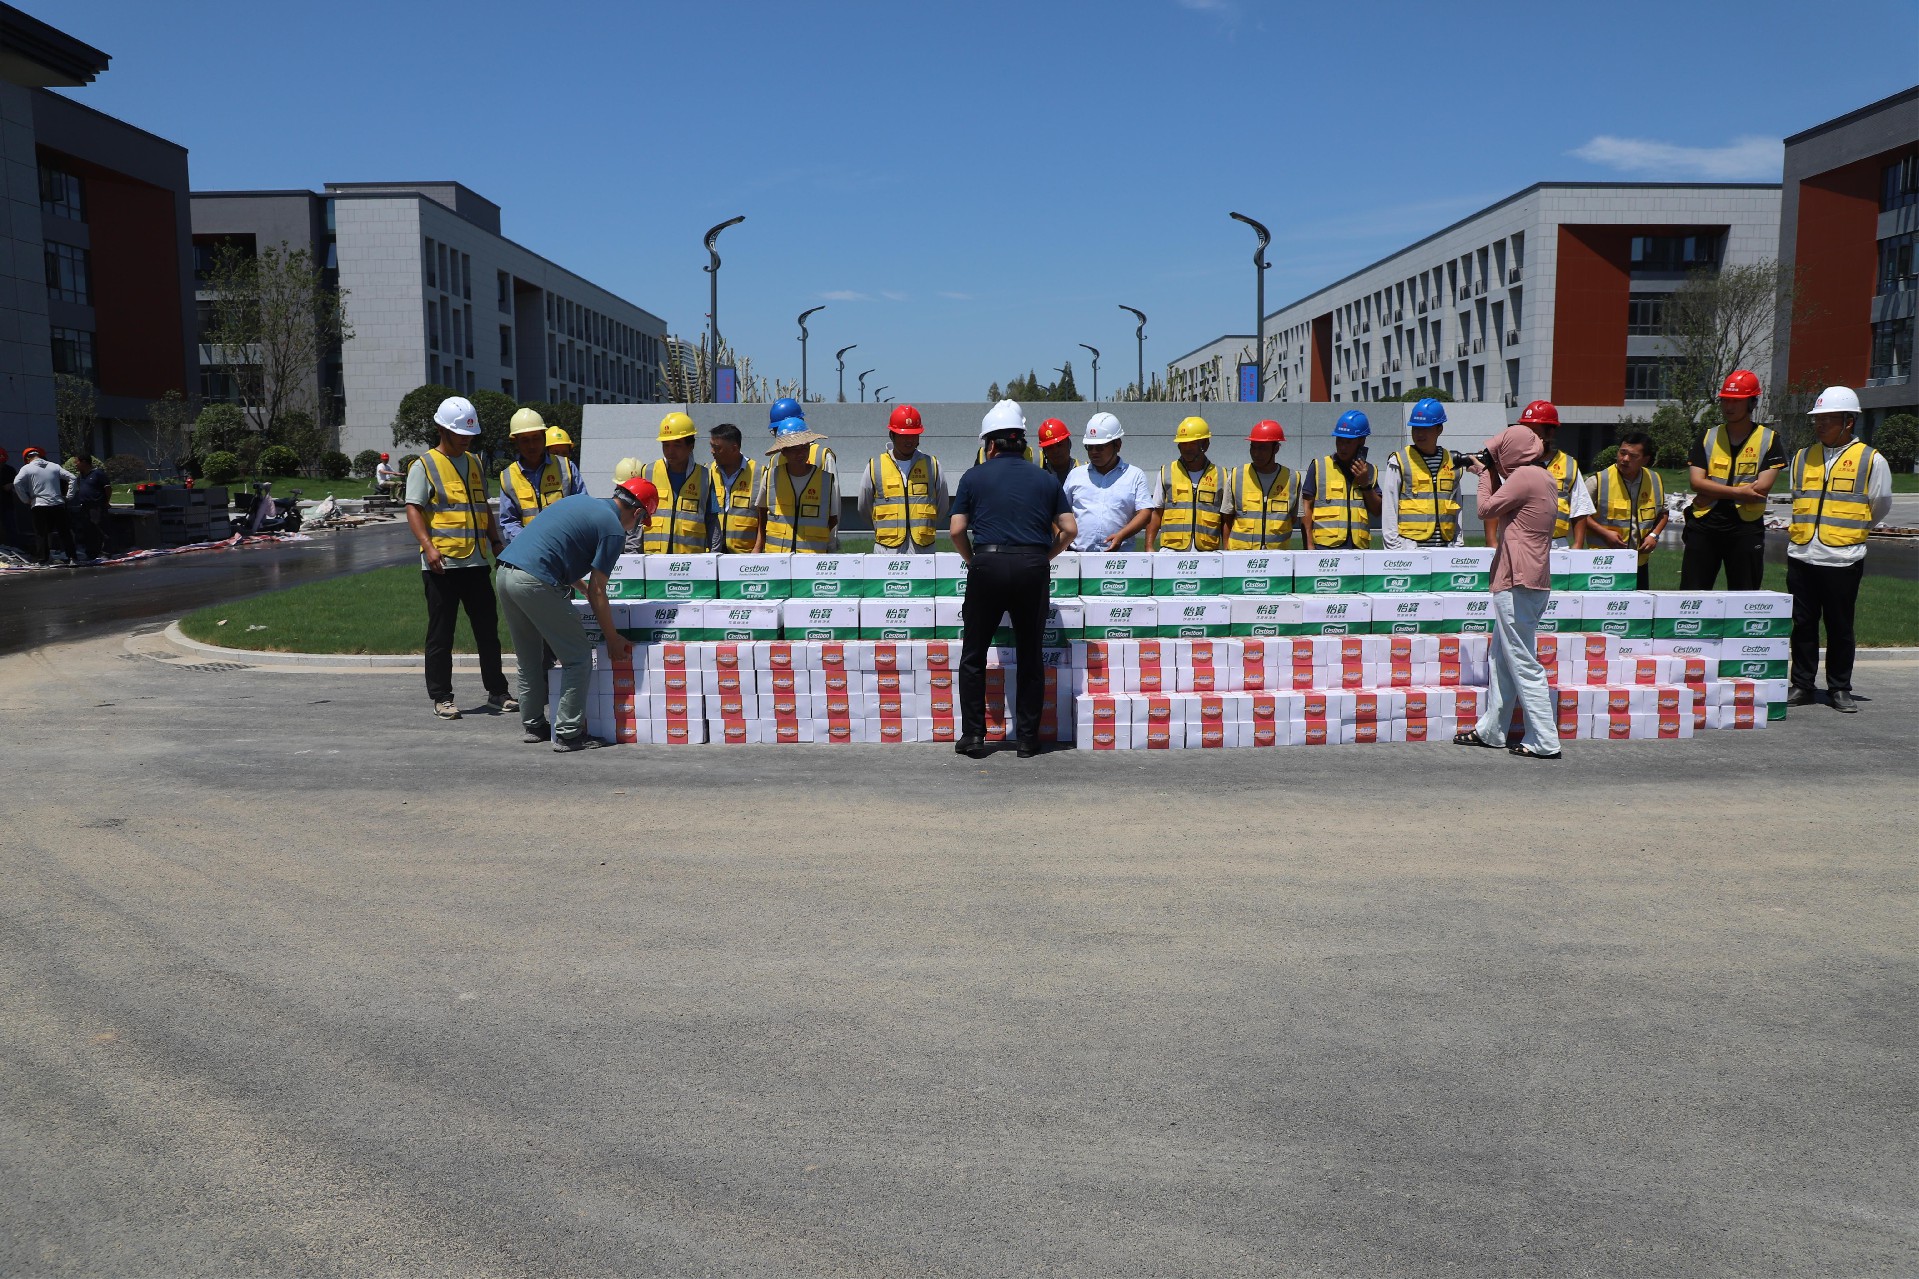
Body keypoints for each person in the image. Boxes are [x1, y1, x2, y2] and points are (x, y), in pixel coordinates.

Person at [951, 400, 1078, 758]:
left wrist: (973, 560)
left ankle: (974, 736)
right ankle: (1026, 739)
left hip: (987, 565)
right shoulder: (1045, 478)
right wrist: (1045, 556)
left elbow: (957, 529)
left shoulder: (973, 476)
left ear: (990, 444)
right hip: (1031, 566)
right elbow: (1069, 528)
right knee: (1030, 654)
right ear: (1022, 443)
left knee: (974, 654)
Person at [497, 479, 655, 750]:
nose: (634, 528)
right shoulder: (613, 529)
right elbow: (598, 590)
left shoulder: (580, 502)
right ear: (638, 512)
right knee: (579, 657)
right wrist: (613, 638)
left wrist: (581, 587)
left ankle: (534, 726)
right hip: (535, 582)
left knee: (529, 657)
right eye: (640, 523)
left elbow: (556, 550)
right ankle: (569, 733)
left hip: (505, 574)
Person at [404, 395, 514, 721]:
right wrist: (427, 546)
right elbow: (413, 508)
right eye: (460, 433)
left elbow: (482, 508)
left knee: (488, 631)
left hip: (477, 562)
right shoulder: (423, 466)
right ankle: (442, 697)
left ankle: (497, 692)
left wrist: (495, 540)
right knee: (441, 634)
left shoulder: (475, 463)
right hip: (442, 565)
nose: (466, 438)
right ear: (442, 430)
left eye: (470, 434)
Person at [1785, 386, 1893, 714]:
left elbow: (1880, 505)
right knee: (1803, 624)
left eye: (1828, 419)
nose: (1820, 424)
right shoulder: (1802, 457)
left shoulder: (1871, 460)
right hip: (1802, 554)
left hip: (1842, 558)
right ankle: (1802, 684)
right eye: (1817, 419)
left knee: (1840, 626)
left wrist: (1849, 531)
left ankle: (1839, 687)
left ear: (1849, 421)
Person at [1458, 426, 1560, 760]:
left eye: (1498, 452)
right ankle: (1492, 731)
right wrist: (1487, 470)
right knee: (1502, 659)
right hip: (1532, 580)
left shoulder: (1524, 476)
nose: (1495, 457)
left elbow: (1485, 509)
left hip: (1517, 582)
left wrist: (1483, 473)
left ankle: (1544, 739)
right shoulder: (1541, 476)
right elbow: (1509, 494)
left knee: (1522, 661)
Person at [1682, 369, 1786, 589]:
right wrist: (1738, 492)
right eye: (1726, 400)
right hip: (1705, 523)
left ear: (1752, 402)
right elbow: (1696, 482)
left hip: (1745, 528)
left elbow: (1761, 488)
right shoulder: (1708, 436)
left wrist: (1711, 489)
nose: (1729, 406)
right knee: (1692, 594)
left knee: (1745, 595)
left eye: (1736, 401)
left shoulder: (1769, 439)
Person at [1486, 400, 1595, 549]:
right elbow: (1494, 504)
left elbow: (1580, 508)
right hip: (1518, 543)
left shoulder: (1569, 465)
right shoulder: (1510, 463)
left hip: (1557, 546)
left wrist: (1577, 545)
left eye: (1534, 432)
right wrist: (1492, 542)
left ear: (1550, 433)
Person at [1060, 412, 1157, 552]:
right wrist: (1062, 542)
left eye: (1100, 447)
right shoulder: (1075, 475)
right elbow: (1060, 512)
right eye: (1089, 447)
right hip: (1079, 557)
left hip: (1120, 559)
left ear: (1117, 445)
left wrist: (1121, 535)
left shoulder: (1135, 476)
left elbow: (1145, 513)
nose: (1094, 452)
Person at [859, 403, 948, 554]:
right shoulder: (875, 466)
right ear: (892, 435)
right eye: (903, 435)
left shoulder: (932, 465)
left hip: (923, 549)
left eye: (913, 435)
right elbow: (864, 507)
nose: (909, 440)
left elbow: (942, 506)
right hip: (887, 550)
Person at [1585, 431, 1667, 589]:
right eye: (1622, 453)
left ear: (1645, 459)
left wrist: (1654, 535)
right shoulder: (1598, 481)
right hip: (1604, 563)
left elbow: (1663, 512)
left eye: (1633, 456)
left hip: (1639, 562)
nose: (1625, 459)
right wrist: (1605, 533)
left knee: (1639, 604)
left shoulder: (1655, 480)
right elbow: (1579, 515)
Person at [1381, 398, 1463, 549]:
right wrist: (1396, 550)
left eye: (1425, 428)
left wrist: (1457, 545)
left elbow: (1456, 506)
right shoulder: (1399, 461)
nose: (1419, 434)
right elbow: (1389, 508)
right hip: (1410, 549)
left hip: (1446, 549)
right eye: (1416, 428)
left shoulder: (1452, 462)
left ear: (1439, 429)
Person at [754, 412, 838, 552]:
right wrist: (758, 546)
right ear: (783, 451)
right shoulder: (770, 476)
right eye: (794, 449)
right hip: (776, 555)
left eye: (805, 447)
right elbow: (762, 512)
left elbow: (833, 518)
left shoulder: (826, 480)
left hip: (812, 556)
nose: (801, 453)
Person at [498, 408, 583, 544]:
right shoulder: (508, 477)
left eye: (536, 438)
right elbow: (509, 521)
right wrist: (530, 542)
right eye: (525, 440)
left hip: (567, 547)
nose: (532, 445)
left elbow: (583, 508)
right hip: (530, 551)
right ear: (516, 442)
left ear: (544, 438)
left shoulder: (566, 468)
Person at [1300, 410, 1381, 548]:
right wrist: (1308, 545)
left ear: (1362, 441)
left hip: (1358, 551)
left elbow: (1377, 511)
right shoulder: (1319, 467)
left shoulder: (1370, 471)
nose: (1342, 447)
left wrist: (1366, 485)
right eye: (1339, 440)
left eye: (1348, 442)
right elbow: (1306, 506)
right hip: (1324, 549)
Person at [643, 412, 719, 553]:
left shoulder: (705, 477)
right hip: (654, 559)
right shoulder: (648, 472)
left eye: (677, 445)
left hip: (691, 561)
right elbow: (635, 519)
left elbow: (712, 522)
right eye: (666, 445)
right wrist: (634, 557)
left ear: (691, 446)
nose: (670, 451)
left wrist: (714, 556)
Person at [1150, 416, 1229, 551]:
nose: (1187, 448)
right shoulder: (1166, 473)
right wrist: (1148, 546)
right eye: (1183, 443)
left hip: (1207, 553)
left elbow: (1226, 519)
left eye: (1192, 443)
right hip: (1171, 552)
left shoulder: (1222, 476)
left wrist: (1227, 551)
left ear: (1205, 444)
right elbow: (1156, 513)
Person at [1225, 419, 1297, 549]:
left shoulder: (1292, 479)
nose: (1256, 453)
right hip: (1240, 555)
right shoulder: (1236, 476)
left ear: (1276, 449)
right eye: (1253, 447)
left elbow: (1293, 518)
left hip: (1277, 557)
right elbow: (1227, 518)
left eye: (1262, 448)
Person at [11, 446, 77, 566]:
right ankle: (72, 557)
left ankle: (43, 560)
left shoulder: (27, 468)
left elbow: (16, 482)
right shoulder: (54, 466)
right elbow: (72, 477)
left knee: (41, 533)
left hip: (39, 504)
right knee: (64, 532)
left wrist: (26, 499)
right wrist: (69, 496)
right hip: (57, 503)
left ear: (27, 458)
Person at [708, 423, 760, 553]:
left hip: (745, 555)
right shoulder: (707, 472)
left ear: (734, 448)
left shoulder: (759, 473)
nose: (712, 451)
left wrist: (758, 548)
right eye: (711, 446)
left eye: (717, 448)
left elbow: (764, 517)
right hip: (712, 553)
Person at [68, 453, 112, 563]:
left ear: (84, 462)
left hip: (97, 506)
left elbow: (107, 488)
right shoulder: (81, 477)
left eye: (77, 462)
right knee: (89, 531)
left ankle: (106, 552)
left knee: (102, 529)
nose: (75, 464)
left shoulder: (98, 474)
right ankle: (91, 553)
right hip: (85, 507)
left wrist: (106, 501)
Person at [1037, 418, 1076, 484]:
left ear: (1069, 444)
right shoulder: (1039, 475)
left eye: (1059, 445)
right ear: (1044, 450)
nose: (1055, 451)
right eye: (1050, 447)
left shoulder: (1084, 471)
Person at [0, 447, 18, 549]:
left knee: (10, 526)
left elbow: (13, 484)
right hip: (6, 502)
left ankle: (14, 547)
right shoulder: (9, 470)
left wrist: (11, 485)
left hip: (6, 503)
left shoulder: (10, 470)